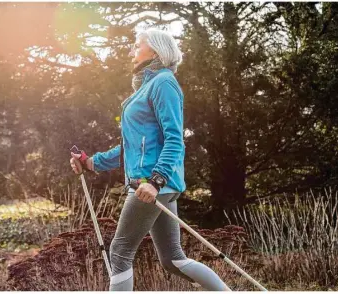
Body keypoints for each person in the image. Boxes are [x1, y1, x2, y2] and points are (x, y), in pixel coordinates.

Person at [70, 28, 231, 291]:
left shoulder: (163, 83)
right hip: (154, 185)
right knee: (172, 259)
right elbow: (131, 147)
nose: (132, 51)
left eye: (137, 45)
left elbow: (174, 138)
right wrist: (90, 162)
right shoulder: (147, 86)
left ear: (154, 50)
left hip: (151, 185)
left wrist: (156, 181)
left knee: (120, 251)